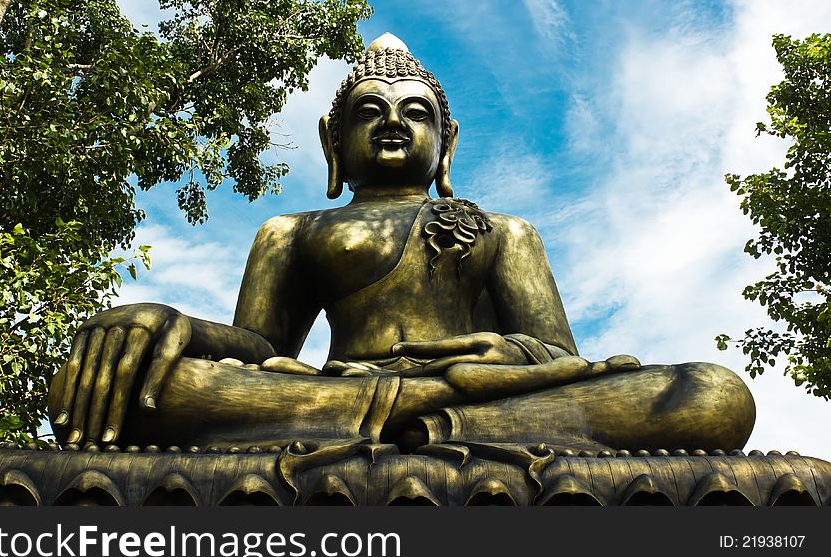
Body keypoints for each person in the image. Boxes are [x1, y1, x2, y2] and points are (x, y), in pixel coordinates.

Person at [48, 34, 755, 453]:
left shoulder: (505, 232)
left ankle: (433, 418)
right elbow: (262, 350)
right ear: (334, 142)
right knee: (135, 384)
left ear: (445, 143)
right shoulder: (290, 233)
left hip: (477, 396)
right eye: (370, 112)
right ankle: (420, 420)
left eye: (414, 113)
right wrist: (173, 325)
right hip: (336, 393)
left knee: (712, 395)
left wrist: (495, 356)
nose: (393, 122)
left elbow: (559, 358)